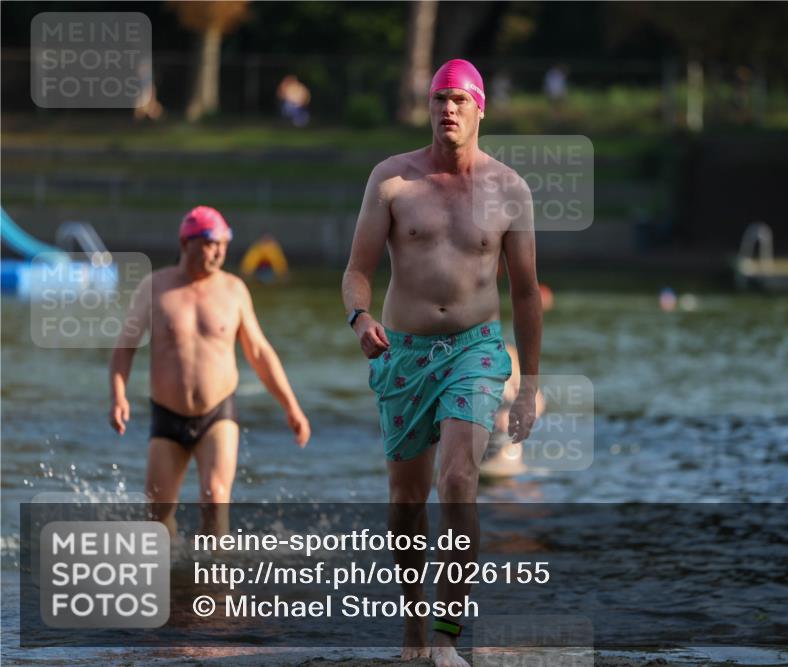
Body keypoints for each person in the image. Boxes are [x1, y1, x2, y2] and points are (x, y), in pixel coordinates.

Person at [341, 58, 542, 667]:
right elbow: (357, 272)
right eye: (438, 100)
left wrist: (529, 384)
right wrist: (360, 317)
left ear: (480, 108)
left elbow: (527, 292)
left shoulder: (509, 190)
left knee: (459, 479)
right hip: (402, 353)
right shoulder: (392, 181)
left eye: (458, 99)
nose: (447, 110)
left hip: (476, 350)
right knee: (406, 501)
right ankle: (413, 632)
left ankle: (450, 638)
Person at [109, 206, 310, 537]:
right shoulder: (154, 287)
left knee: (215, 500)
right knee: (157, 515)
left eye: (223, 244)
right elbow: (124, 348)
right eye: (210, 243)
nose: (219, 252)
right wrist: (118, 397)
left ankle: (216, 582)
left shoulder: (234, 290)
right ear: (186, 243)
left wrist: (292, 407)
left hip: (217, 412)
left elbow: (259, 352)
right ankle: (173, 580)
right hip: (167, 414)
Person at [479, 344, 546, 478]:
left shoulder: (510, 360)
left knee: (507, 464)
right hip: (479, 438)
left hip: (505, 441)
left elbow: (538, 401)